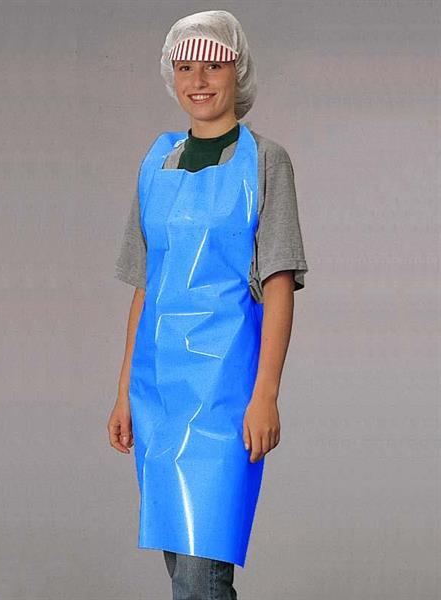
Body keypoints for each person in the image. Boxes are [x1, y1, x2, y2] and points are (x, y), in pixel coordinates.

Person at [108, 10, 308, 600]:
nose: (199, 80)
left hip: (225, 391)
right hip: (159, 391)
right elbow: (146, 285)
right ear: (171, 75)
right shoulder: (156, 164)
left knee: (201, 577)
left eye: (214, 65)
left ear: (236, 72)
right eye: (186, 67)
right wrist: (123, 392)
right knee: (182, 570)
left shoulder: (265, 162)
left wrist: (265, 394)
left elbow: (278, 283)